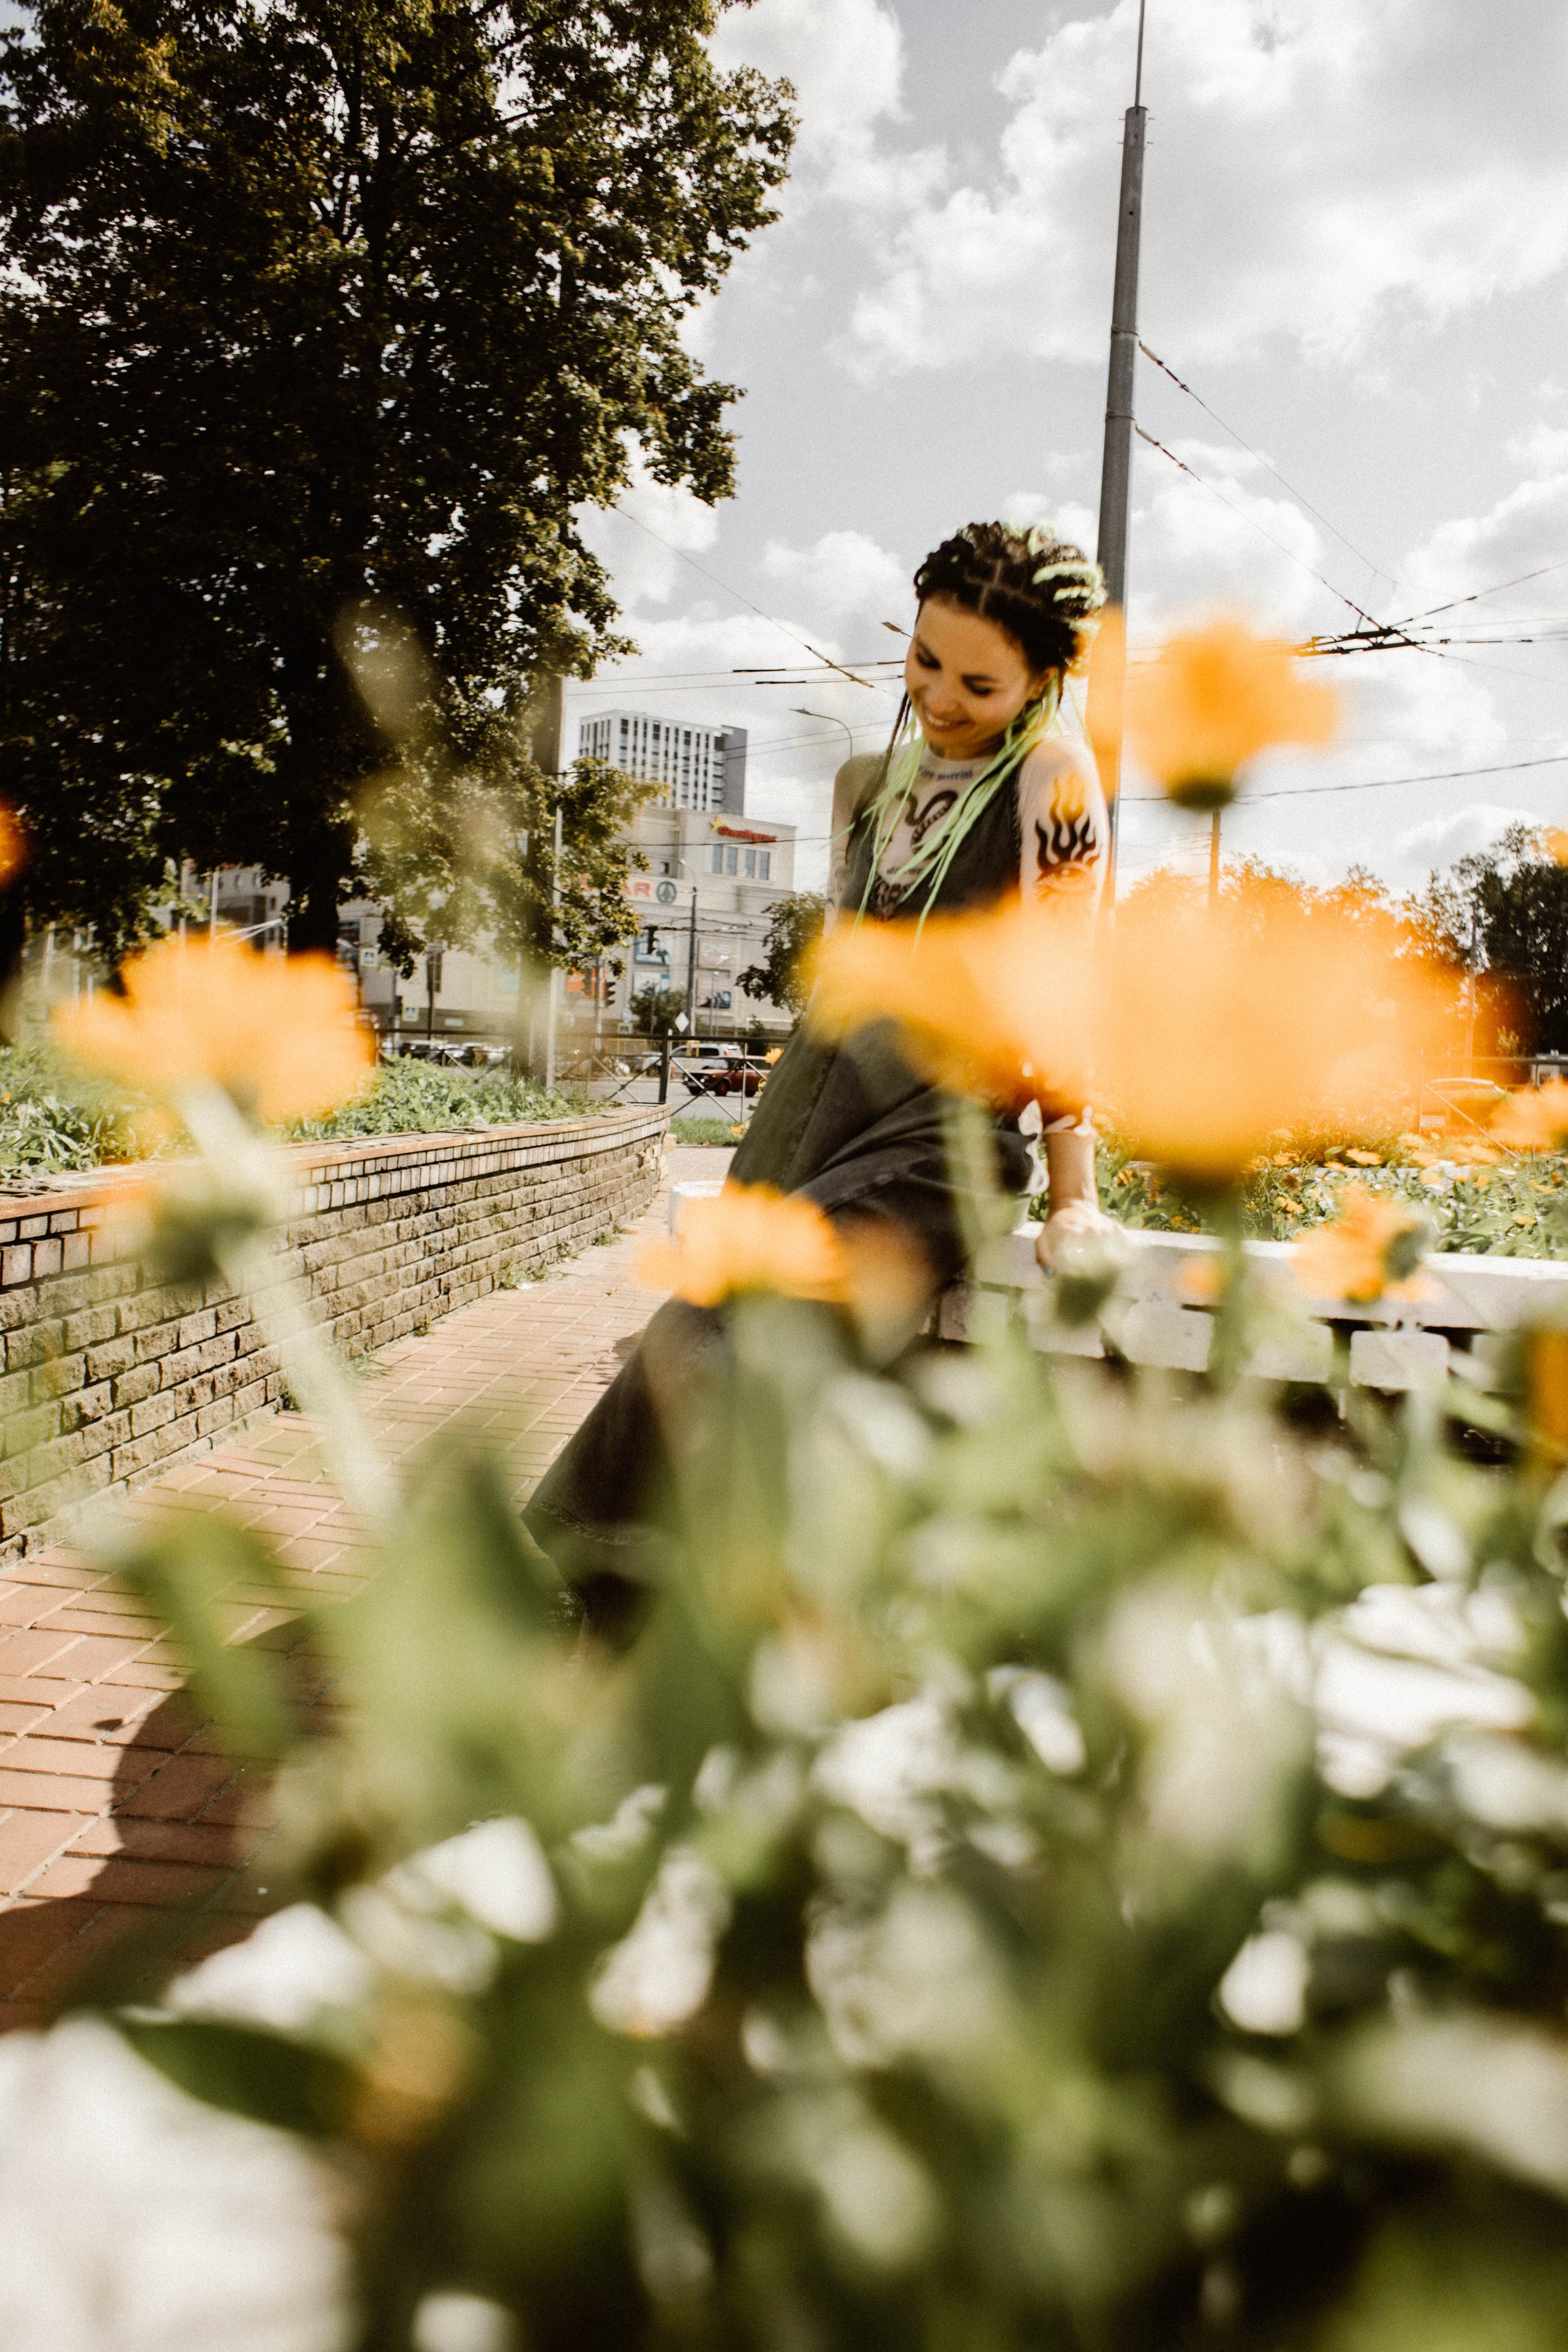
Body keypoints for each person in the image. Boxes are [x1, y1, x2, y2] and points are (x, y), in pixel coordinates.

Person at [524, 521, 1117, 1621]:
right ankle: (610, 1597)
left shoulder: (1054, 778)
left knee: (736, 1341)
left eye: (978, 682)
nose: (939, 696)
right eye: (925, 661)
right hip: (820, 1104)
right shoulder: (870, 783)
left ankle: (669, 1609)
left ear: (1044, 678)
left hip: (942, 1139)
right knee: (688, 1328)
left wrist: (1076, 1196)